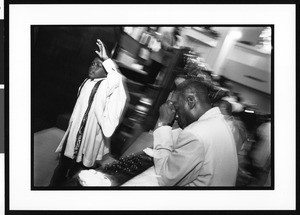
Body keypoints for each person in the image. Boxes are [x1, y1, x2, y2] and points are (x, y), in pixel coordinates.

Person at [49, 39, 128, 186]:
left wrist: (107, 60)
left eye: (99, 66)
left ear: (106, 74)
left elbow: (116, 79)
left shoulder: (106, 86)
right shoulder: (86, 82)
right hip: (74, 133)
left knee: (79, 172)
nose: (93, 67)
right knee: (62, 165)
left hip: (89, 136)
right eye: (92, 64)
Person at [152, 79, 238, 186]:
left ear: (190, 101)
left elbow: (164, 178)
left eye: (177, 108)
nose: (176, 115)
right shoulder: (221, 123)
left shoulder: (195, 133)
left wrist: (163, 124)